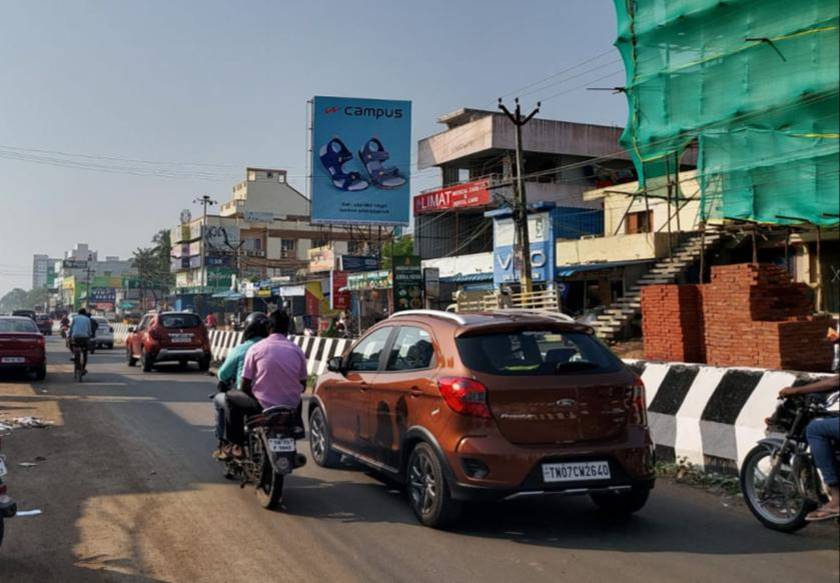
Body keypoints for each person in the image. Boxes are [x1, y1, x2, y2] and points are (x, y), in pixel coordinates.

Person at [224, 310, 307, 457]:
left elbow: (245, 385)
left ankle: (237, 443)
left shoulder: (255, 348)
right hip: (290, 407)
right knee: (298, 398)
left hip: (261, 406)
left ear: (269, 327)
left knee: (230, 397)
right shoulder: (297, 350)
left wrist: (256, 395)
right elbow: (303, 384)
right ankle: (297, 426)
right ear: (287, 329)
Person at [211, 312, 270, 460]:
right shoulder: (275, 347)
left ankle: (227, 443)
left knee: (220, 399)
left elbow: (223, 374)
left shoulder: (243, 348)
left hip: (248, 399)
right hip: (275, 399)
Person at [68, 308, 93, 375]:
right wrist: (90, 336)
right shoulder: (87, 319)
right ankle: (83, 368)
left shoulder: (74, 318)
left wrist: (69, 336)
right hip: (84, 338)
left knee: (70, 343)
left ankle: (73, 354)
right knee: (85, 354)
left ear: (78, 313)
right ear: (84, 313)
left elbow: (71, 328)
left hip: (76, 338)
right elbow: (89, 331)